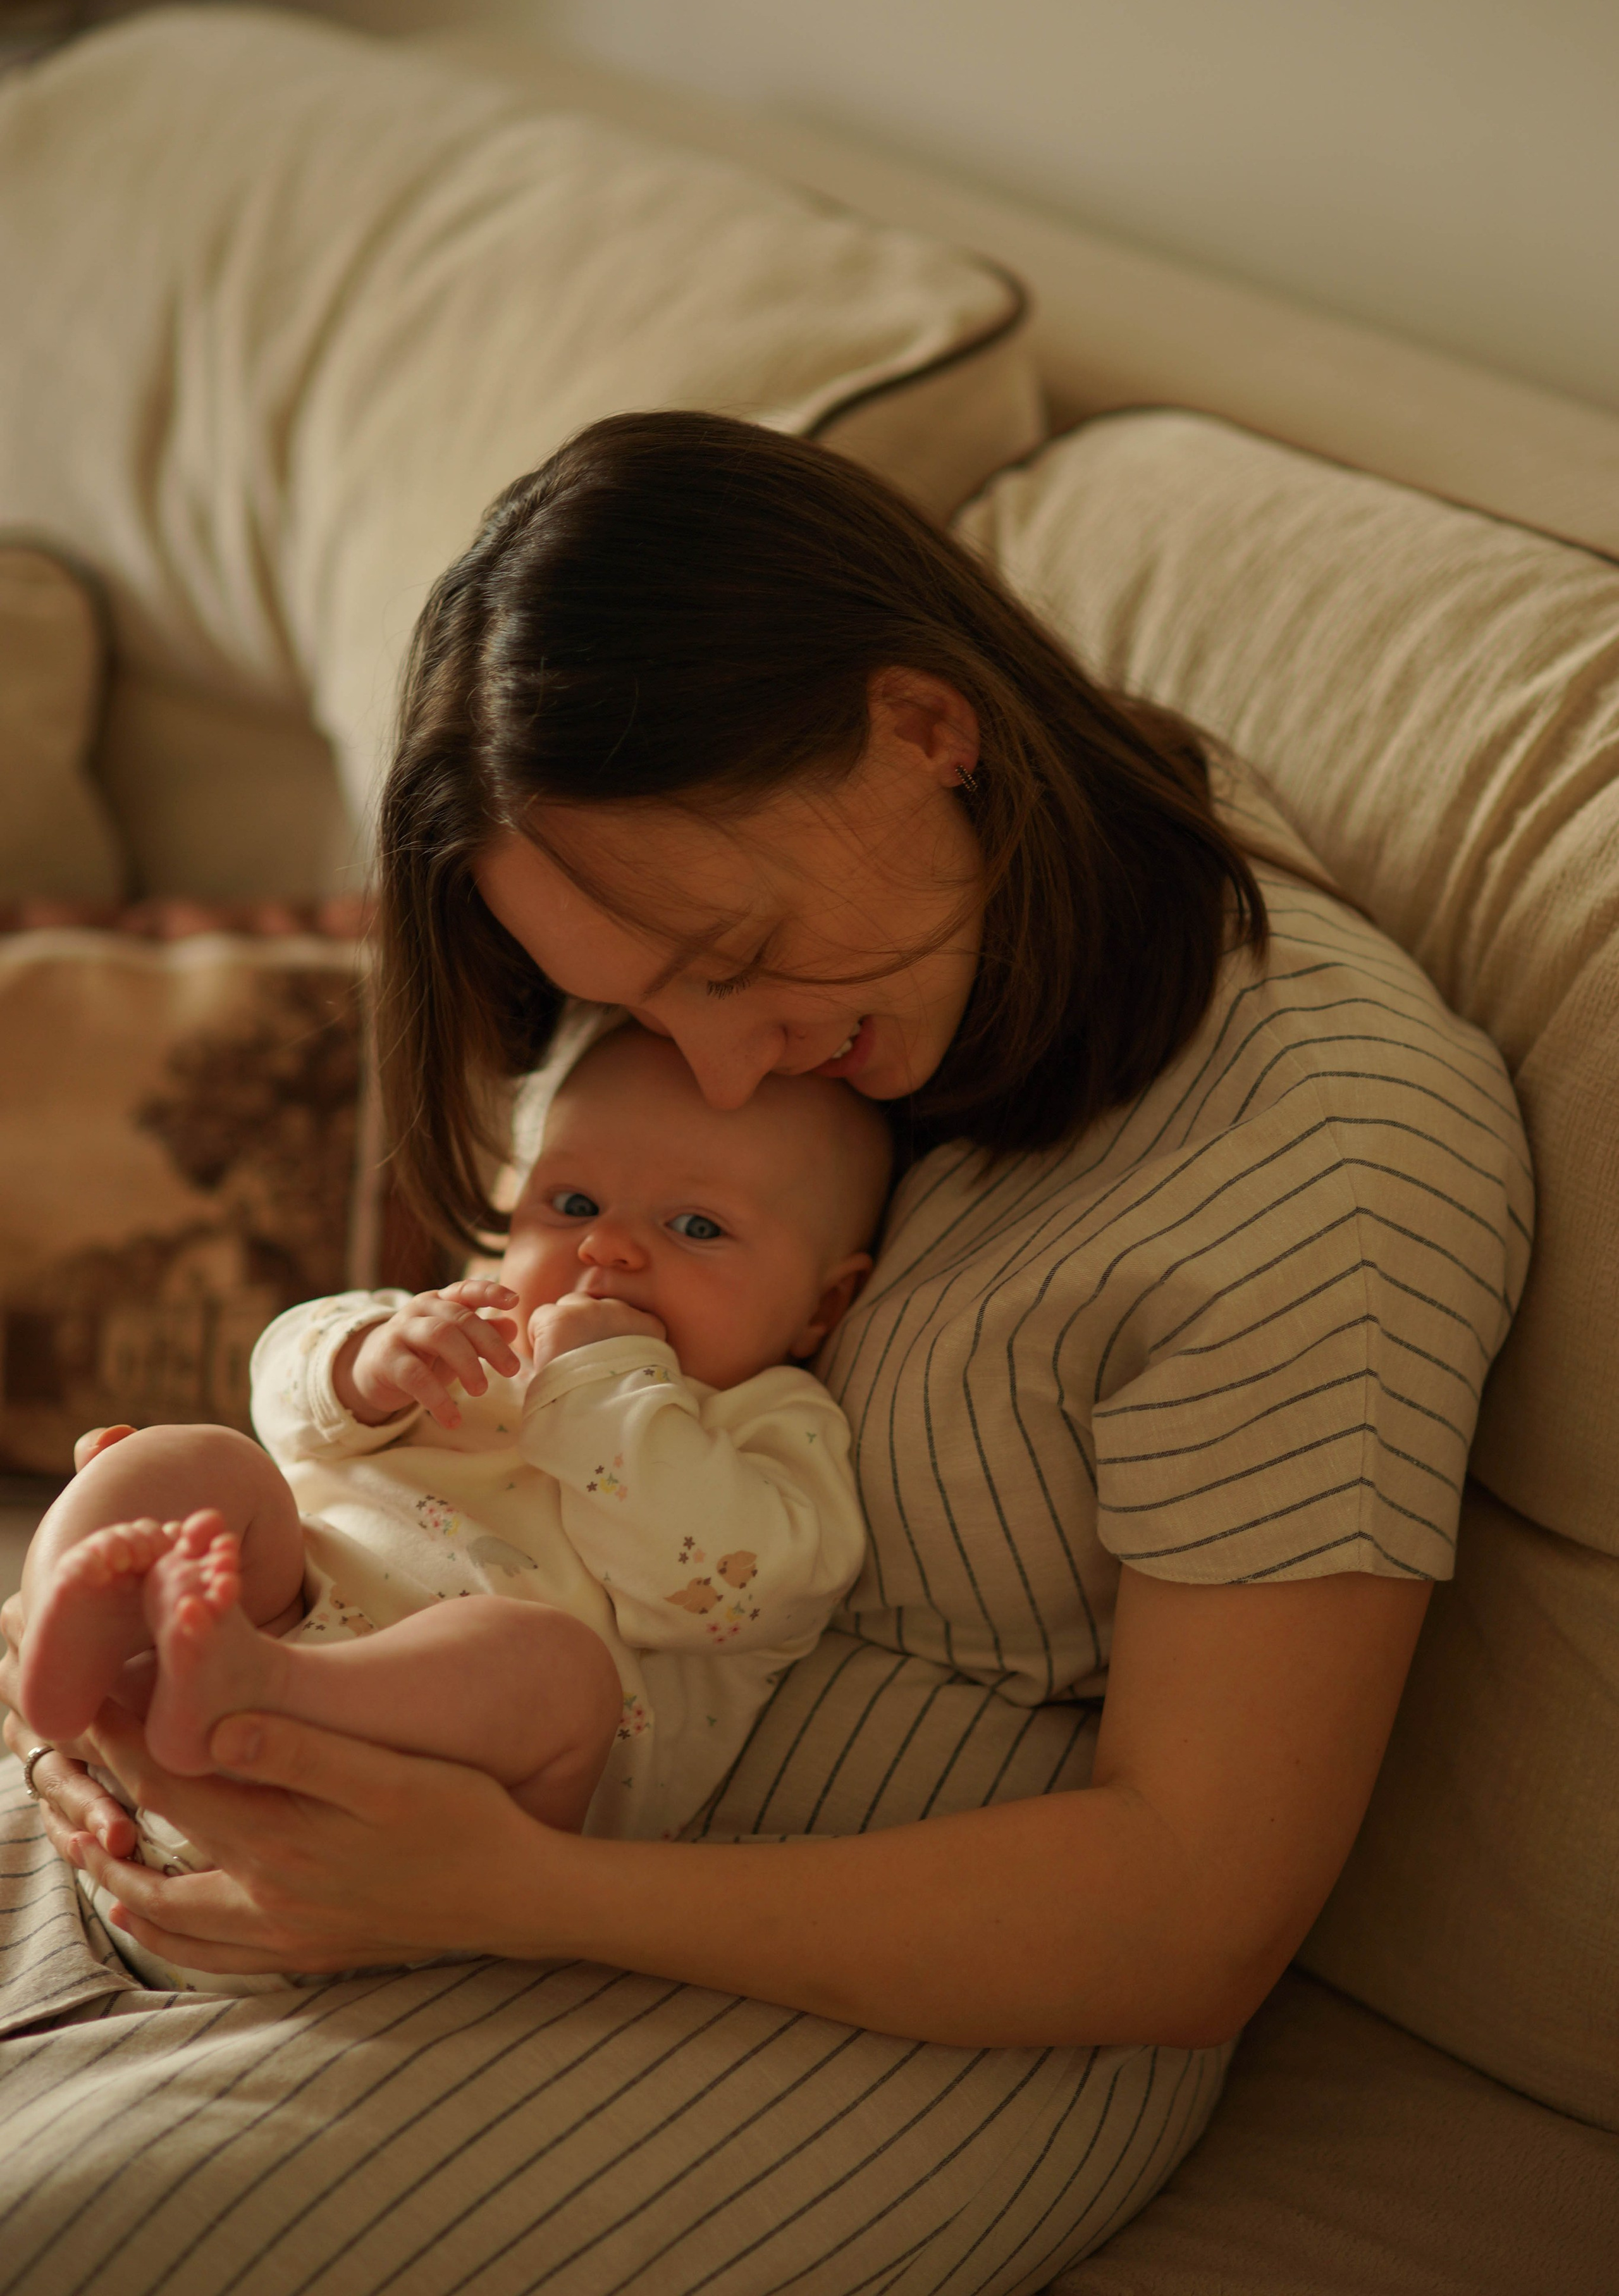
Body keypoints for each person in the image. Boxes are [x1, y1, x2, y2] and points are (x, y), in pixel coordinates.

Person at [1, 412, 1532, 2294]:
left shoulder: (1322, 1160)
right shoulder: (776, 927)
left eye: (730, 966)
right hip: (368, 1756)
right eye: (633, 1009)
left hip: (877, 1997)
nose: (705, 1068)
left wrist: (513, 1890)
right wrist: (102, 1717)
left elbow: (1189, 1908)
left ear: (926, 730)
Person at [13, 1023, 885, 1985]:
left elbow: (722, 1588)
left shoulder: (775, 1426)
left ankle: (258, 1685)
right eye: (575, 1203)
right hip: (231, 1656)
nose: (607, 1245)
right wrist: (361, 1364)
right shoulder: (466, 1327)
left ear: (824, 1306)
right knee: (203, 1460)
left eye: (699, 1227)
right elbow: (286, 1393)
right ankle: (66, 1636)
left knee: (555, 1670)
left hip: (433, 1832)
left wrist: (602, 1379)